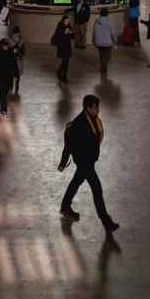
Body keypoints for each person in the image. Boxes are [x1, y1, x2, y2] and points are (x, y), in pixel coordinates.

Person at [58, 94, 119, 235]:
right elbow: (68, 145)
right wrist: (62, 163)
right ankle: (106, 221)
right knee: (97, 189)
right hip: (84, 162)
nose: (98, 109)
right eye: (96, 107)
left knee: (76, 181)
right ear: (88, 107)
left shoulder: (93, 120)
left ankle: (65, 206)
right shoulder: (79, 124)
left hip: (89, 160)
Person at [0, 38, 18, 117]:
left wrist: (16, 75)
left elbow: (14, 66)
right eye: (4, 45)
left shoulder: (11, 55)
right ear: (1, 45)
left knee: (4, 93)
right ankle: (4, 110)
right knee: (3, 94)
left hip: (8, 79)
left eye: (7, 45)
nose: (6, 47)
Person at [92, 7, 116, 76]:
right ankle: (104, 65)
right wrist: (115, 40)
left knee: (101, 55)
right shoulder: (109, 21)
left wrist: (93, 40)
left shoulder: (96, 21)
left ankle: (103, 66)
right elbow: (112, 32)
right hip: (107, 42)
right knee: (108, 55)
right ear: (107, 13)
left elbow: (94, 31)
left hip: (99, 42)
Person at [52, 13, 73, 83]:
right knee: (65, 62)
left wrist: (71, 33)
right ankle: (63, 76)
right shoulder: (60, 26)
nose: (68, 22)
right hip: (62, 46)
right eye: (66, 20)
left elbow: (72, 36)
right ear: (63, 20)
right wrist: (64, 33)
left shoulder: (69, 26)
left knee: (66, 62)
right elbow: (58, 35)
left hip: (67, 46)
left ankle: (62, 74)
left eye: (68, 20)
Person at [9, 26, 25, 95]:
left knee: (12, 72)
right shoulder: (21, 39)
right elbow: (23, 50)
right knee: (18, 73)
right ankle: (17, 85)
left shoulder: (10, 39)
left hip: (12, 59)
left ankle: (12, 85)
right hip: (19, 58)